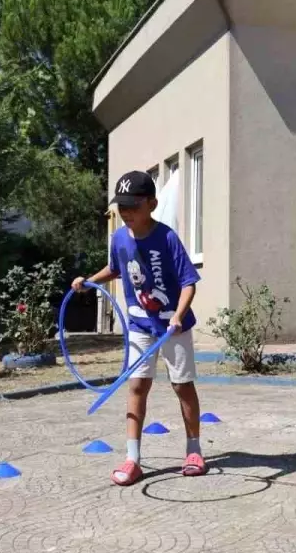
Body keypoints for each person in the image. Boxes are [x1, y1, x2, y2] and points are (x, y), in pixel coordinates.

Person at [73, 170, 206, 486]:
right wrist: (90, 281)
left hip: (173, 327)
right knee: (137, 386)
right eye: (122, 206)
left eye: (133, 205)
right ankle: (133, 459)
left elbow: (189, 283)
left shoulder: (167, 238)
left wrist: (177, 316)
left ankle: (194, 450)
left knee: (182, 385)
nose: (126, 212)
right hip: (139, 325)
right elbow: (115, 269)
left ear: (152, 204)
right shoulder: (118, 238)